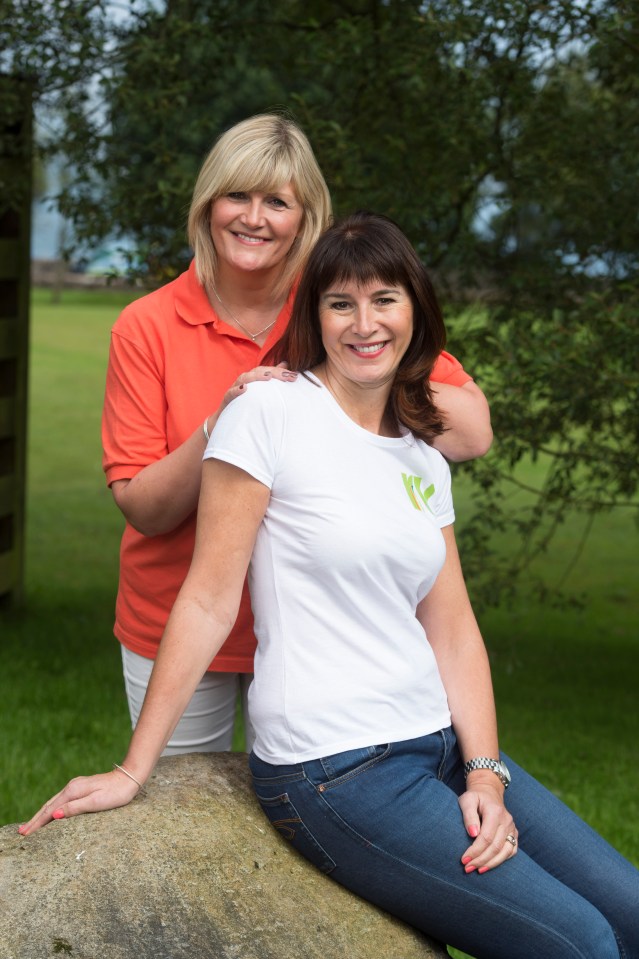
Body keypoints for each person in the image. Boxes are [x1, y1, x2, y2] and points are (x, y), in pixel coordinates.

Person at [20, 213, 638, 959]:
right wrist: (132, 766)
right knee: (580, 944)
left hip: (437, 743)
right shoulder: (267, 414)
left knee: (629, 914)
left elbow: (452, 627)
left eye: (384, 299)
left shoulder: (420, 452)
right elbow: (209, 598)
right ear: (314, 315)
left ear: (416, 311)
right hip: (335, 769)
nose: (364, 322)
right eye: (340, 303)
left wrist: (486, 775)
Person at [101, 113, 492, 756]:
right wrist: (220, 423)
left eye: (276, 201)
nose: (253, 217)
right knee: (178, 817)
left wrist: (344, 374)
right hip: (177, 617)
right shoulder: (146, 326)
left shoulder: (340, 307)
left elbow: (472, 433)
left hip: (316, 629)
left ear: (303, 216)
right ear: (207, 205)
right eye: (237, 195)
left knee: (291, 829)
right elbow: (145, 508)